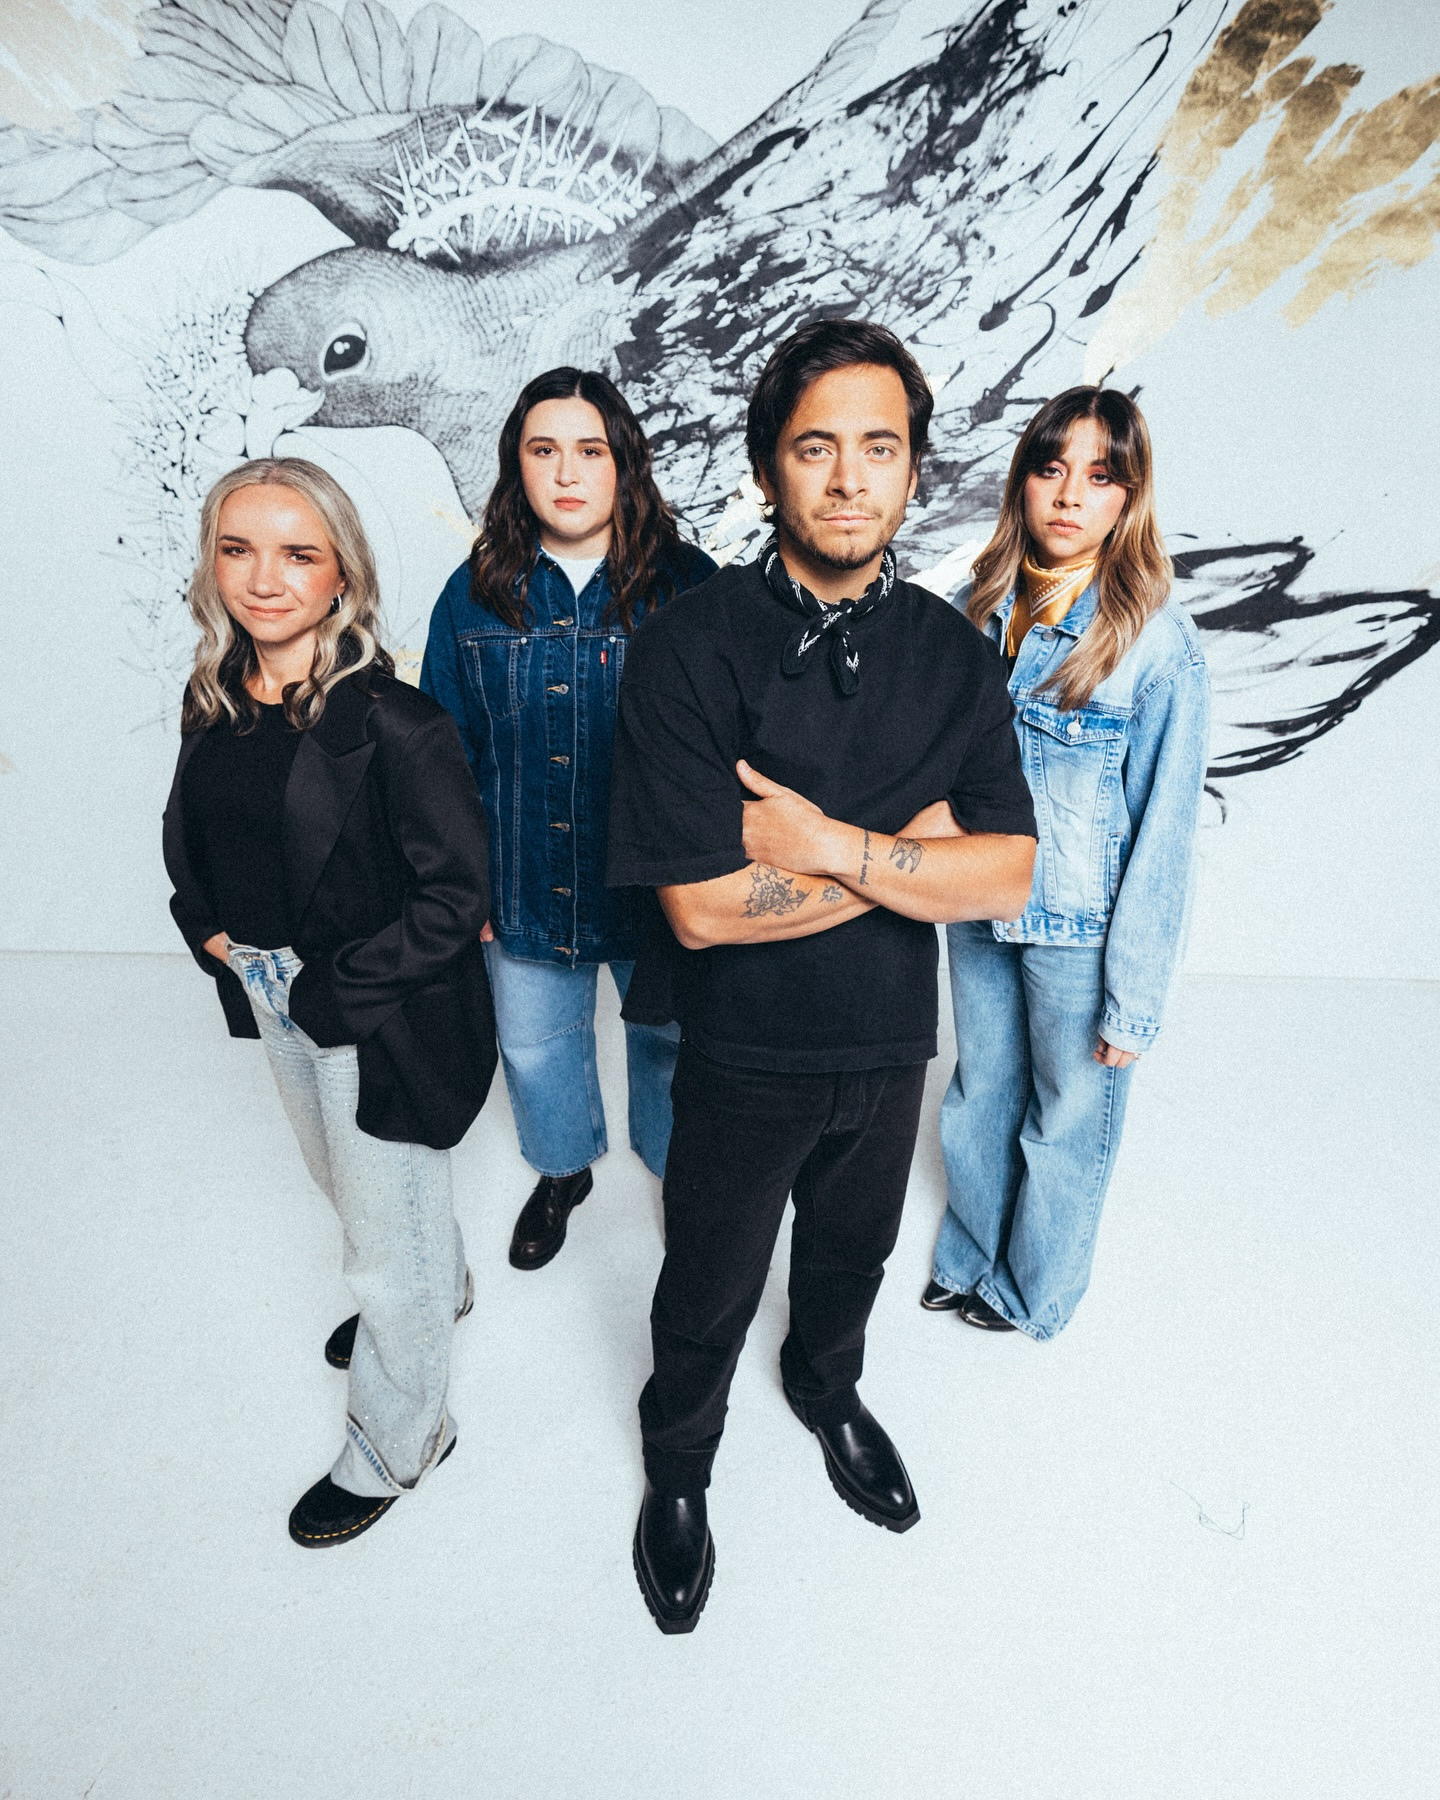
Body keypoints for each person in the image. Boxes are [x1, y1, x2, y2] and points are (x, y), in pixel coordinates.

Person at [607, 319, 1039, 1633]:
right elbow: (699, 911)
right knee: (707, 1281)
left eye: (879, 448)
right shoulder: (688, 651)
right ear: (767, 471)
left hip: (893, 1045)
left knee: (850, 1255)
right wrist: (914, 855)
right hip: (743, 1058)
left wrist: (822, 845)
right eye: (816, 448)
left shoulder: (955, 655)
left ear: (912, 473)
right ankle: (679, 1465)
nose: (850, 477)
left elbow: (1009, 875)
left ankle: (828, 1392)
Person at [162, 457, 497, 1547]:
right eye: (239, 548)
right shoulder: (214, 697)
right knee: (348, 1188)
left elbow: (458, 900)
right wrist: (206, 924)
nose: (265, 578)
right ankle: (434, 1285)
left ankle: (403, 1439)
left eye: (298, 552)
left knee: (377, 1247)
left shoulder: (397, 725)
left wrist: (330, 992)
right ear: (212, 565)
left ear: (341, 576)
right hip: (271, 987)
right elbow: (201, 833)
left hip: (374, 1006)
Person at [922, 387, 1209, 1338]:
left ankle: (1031, 1290)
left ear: (1128, 497)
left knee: (1065, 1117)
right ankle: (968, 1254)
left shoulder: (1155, 640)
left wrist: (1133, 995)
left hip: (1076, 926)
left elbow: (1165, 828)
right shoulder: (984, 605)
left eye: (1099, 475)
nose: (1069, 495)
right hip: (977, 903)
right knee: (978, 1096)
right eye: (1051, 468)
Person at [421, 369, 715, 1272]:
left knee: (670, 1043)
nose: (568, 473)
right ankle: (562, 1173)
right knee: (536, 1051)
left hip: (656, 889)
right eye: (544, 450)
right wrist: (458, 882)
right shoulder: (473, 593)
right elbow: (441, 753)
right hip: (519, 881)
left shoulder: (690, 588)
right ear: (518, 466)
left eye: (590, 450)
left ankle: (681, 1180)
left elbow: (728, 753)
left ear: (622, 462)